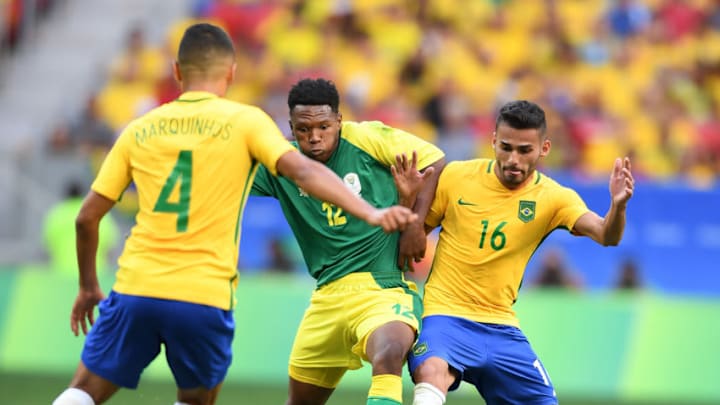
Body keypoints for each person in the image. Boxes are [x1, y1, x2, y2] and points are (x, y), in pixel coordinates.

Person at [52, 23, 417, 405]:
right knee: (195, 398)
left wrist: (88, 286)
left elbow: (85, 218)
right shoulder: (246, 122)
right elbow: (304, 170)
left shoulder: (139, 130)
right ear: (231, 72)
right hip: (203, 294)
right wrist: (371, 213)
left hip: (135, 286)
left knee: (84, 390)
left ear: (177, 70)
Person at [396, 100, 634, 405]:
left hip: (502, 328)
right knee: (432, 372)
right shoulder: (456, 177)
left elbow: (606, 235)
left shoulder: (553, 197)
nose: (513, 159)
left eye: (525, 150)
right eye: (506, 147)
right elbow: (410, 240)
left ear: (544, 148)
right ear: (493, 141)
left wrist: (618, 206)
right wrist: (406, 206)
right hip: (445, 317)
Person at [250, 78, 446, 405]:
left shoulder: (367, 138)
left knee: (389, 353)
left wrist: (415, 225)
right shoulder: (283, 163)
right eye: (303, 129)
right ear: (291, 127)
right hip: (326, 295)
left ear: (339, 120)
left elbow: (435, 161)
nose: (314, 137)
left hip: (382, 288)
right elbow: (227, 182)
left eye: (324, 126)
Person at [43, 180, 119, 277]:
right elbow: (110, 248)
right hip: (94, 275)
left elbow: (47, 248)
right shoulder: (97, 214)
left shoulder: (56, 215)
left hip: (61, 274)